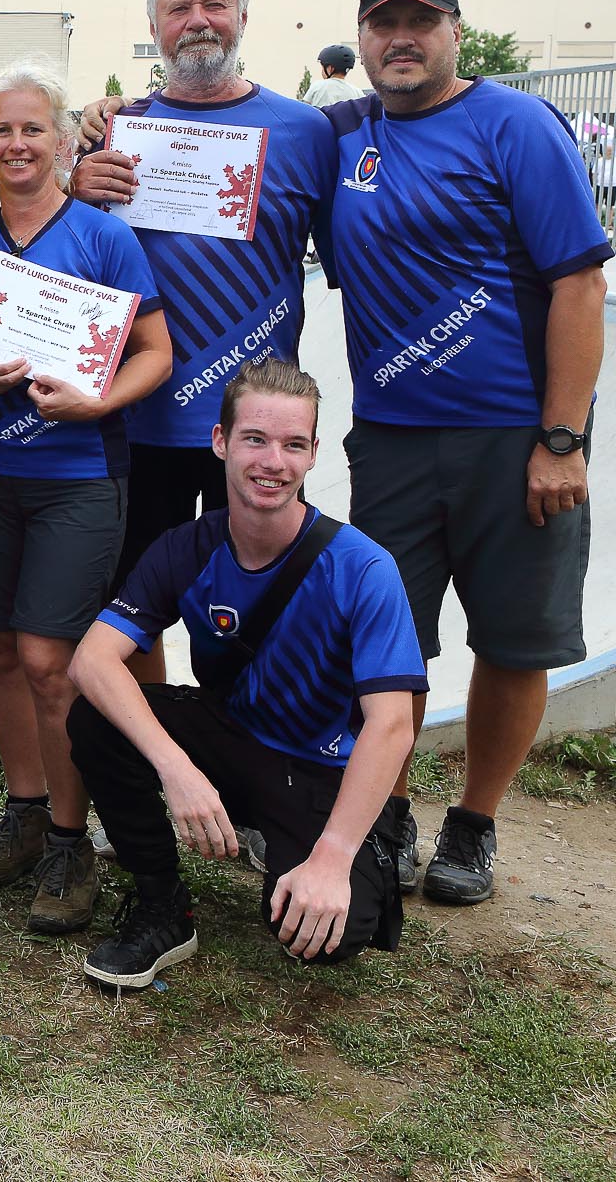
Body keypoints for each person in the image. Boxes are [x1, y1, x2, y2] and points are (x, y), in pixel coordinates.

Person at [317, 0, 609, 906]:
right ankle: (390, 814)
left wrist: (560, 440)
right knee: (388, 643)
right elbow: (227, 143)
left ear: (454, 30)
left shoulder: (515, 124)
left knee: (515, 642)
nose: (401, 39)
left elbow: (580, 282)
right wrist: (110, 128)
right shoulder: (340, 135)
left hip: (515, 437)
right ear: (360, 38)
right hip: (394, 438)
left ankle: (474, 826)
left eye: (421, 21)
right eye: (382, 24)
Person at [66, 358, 422, 989]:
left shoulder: (363, 567)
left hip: (319, 769)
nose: (273, 462)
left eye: (293, 445)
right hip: (232, 740)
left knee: (327, 937)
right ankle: (161, 905)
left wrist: (333, 859)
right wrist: (176, 772)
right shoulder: (186, 547)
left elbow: (391, 726)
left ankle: (312, 850)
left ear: (314, 456)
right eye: (255, 439)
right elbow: (92, 658)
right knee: (97, 716)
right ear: (220, 442)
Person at [0, 62, 170, 933]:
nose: (19, 144)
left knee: (49, 660)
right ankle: (25, 814)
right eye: (2, 130)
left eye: (35, 129)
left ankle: (74, 839)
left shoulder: (104, 238)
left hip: (78, 479)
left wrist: (98, 400)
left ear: (66, 141)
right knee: (0, 652)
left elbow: (156, 352)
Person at [70, 0, 336, 702]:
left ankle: (246, 777)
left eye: (214, 5)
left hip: (251, 427)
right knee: (134, 612)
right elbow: (62, 254)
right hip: (136, 418)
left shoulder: (306, 132)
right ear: (153, 26)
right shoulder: (114, 132)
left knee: (255, 612)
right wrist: (77, 188)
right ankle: (161, 760)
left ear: (244, 17)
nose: (198, 22)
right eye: (179, 9)